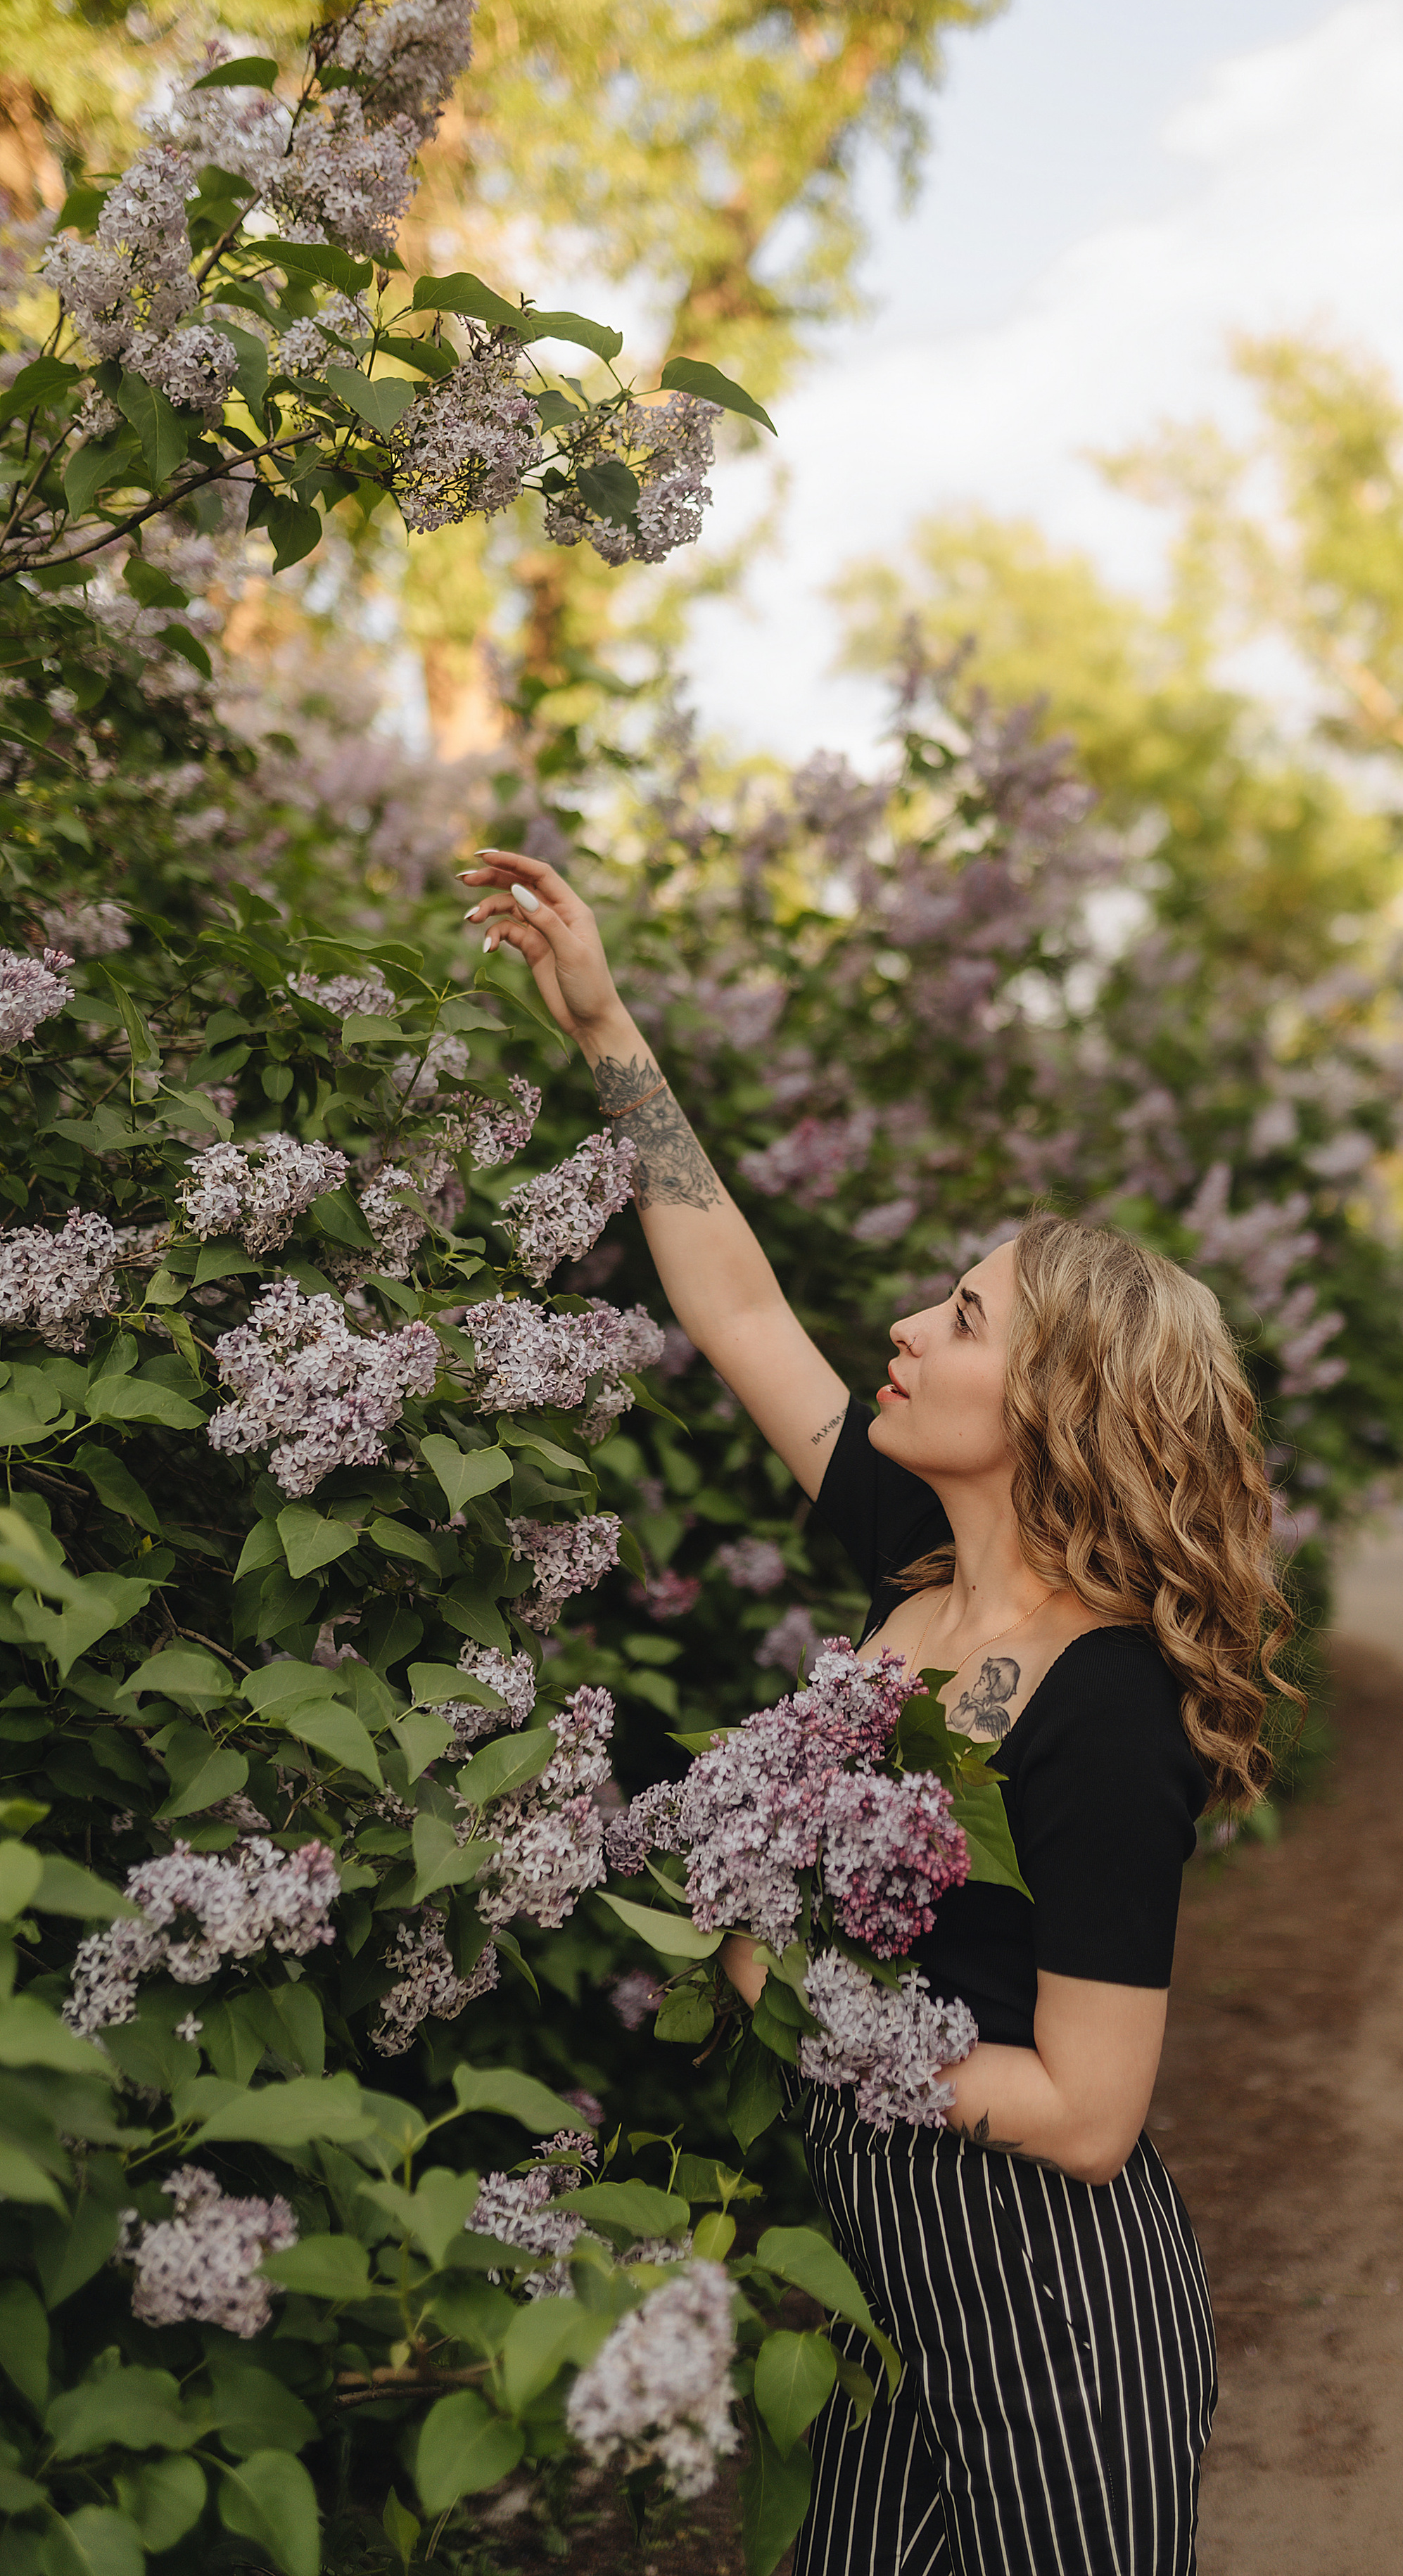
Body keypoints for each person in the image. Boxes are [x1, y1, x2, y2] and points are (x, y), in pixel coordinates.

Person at [457, 846, 1300, 2576]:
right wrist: (608, 1024)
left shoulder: (1109, 1704)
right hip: (880, 2301)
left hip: (1061, 2327)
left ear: (1055, 1401)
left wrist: (784, 1980)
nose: (907, 1324)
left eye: (961, 1314)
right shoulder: (912, 1565)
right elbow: (740, 1300)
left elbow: (1085, 2110)